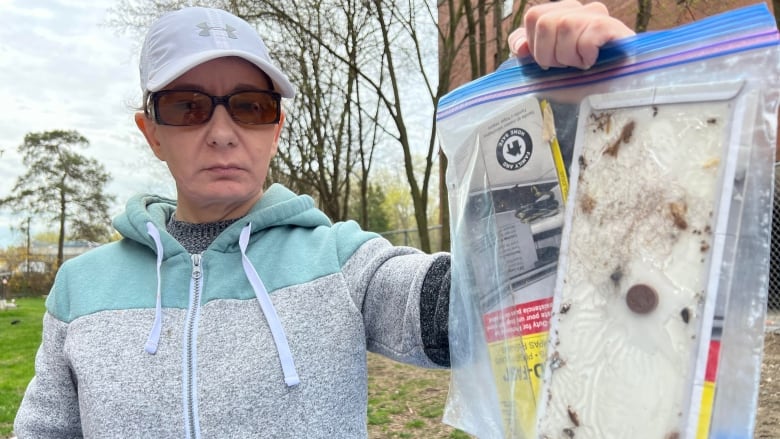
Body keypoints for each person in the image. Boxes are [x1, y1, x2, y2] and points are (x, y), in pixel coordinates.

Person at [14, 1, 633, 437]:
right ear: (151, 133)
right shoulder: (80, 287)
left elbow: (488, 296)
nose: (223, 133)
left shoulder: (338, 259)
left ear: (276, 127)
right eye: (188, 106)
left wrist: (565, 115)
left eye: (251, 106)